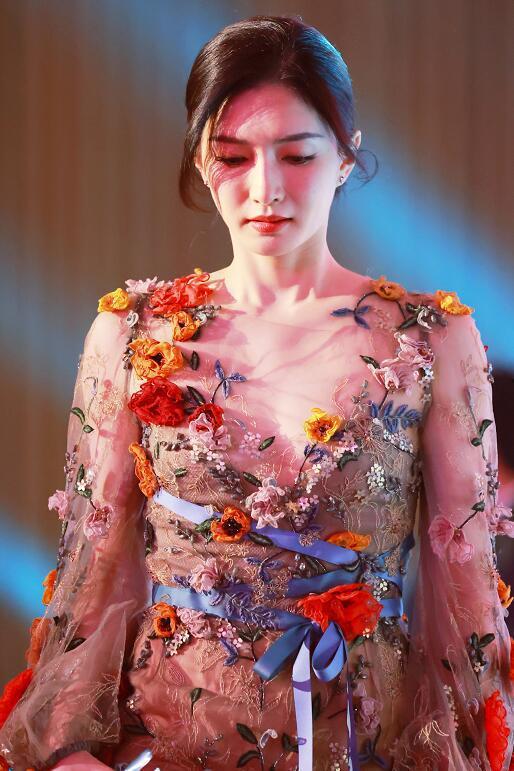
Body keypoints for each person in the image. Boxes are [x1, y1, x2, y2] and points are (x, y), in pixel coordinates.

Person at [1, 13, 513, 771]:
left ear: (346, 155)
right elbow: (95, 566)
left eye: (297, 155)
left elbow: (464, 586)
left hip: (359, 745)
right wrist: (71, 751)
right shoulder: (135, 334)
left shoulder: (431, 339)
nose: (265, 189)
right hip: (168, 743)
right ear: (200, 160)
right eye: (233, 157)